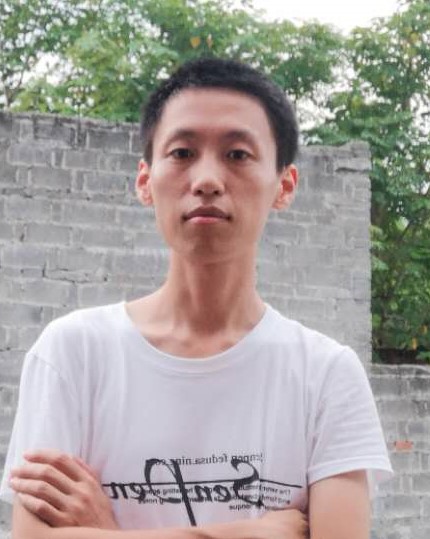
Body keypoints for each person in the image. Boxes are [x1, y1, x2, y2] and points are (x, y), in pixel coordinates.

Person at [0, 57, 392, 539]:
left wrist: (107, 533)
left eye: (238, 155)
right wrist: (249, 534)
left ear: (284, 185)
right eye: (182, 152)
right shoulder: (73, 353)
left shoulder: (326, 374)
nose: (207, 179)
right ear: (145, 181)